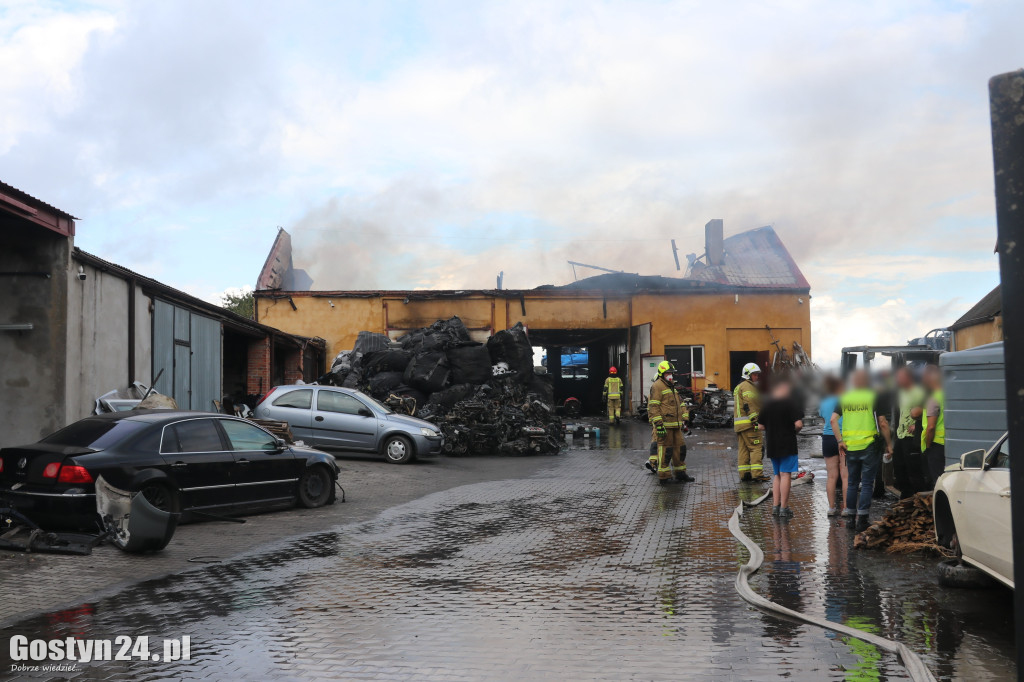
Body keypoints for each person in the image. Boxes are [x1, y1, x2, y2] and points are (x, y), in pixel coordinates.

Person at [831, 370, 892, 532]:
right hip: (869, 445)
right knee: (866, 483)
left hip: (850, 447)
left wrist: (840, 441)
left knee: (852, 482)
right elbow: (883, 422)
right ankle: (862, 519)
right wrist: (889, 444)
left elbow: (832, 420)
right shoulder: (873, 396)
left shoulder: (844, 397)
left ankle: (850, 519)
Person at [759, 380, 803, 518]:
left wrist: (772, 428)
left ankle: (775, 506)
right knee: (786, 475)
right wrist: (794, 431)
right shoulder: (790, 403)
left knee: (777, 475)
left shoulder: (767, 404)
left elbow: (760, 426)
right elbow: (799, 424)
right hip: (787, 443)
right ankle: (784, 508)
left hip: (772, 443)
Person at [648, 360, 694, 484]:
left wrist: (684, 419)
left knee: (680, 449)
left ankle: (680, 473)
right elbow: (653, 407)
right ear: (662, 373)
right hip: (665, 425)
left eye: (672, 373)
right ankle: (664, 476)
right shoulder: (657, 386)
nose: (671, 375)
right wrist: (658, 424)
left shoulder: (672, 386)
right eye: (668, 373)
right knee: (666, 450)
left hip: (676, 425)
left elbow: (679, 404)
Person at [893, 367, 927, 497]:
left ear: (908, 378)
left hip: (911, 436)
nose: (898, 380)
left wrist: (916, 424)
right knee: (899, 468)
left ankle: (920, 498)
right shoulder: (902, 393)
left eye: (900, 377)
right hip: (901, 435)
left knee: (914, 470)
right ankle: (906, 497)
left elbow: (926, 408)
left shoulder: (918, 392)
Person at [734, 363, 768, 482]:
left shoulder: (739, 386)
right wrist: (756, 421)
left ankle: (745, 474)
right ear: (748, 375)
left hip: (740, 425)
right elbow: (750, 404)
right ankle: (757, 474)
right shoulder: (748, 386)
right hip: (749, 424)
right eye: (755, 374)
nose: (757, 377)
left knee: (743, 450)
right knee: (756, 448)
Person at [818, 375, 847, 516]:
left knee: (831, 476)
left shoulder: (823, 401)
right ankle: (847, 508)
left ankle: (831, 507)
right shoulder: (844, 400)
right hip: (843, 438)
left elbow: (824, 418)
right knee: (845, 475)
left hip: (828, 438)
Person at [919, 365, 946, 487]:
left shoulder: (933, 398)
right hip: (948, 443)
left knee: (938, 482)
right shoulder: (948, 395)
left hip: (935, 445)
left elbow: (930, 427)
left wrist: (928, 445)